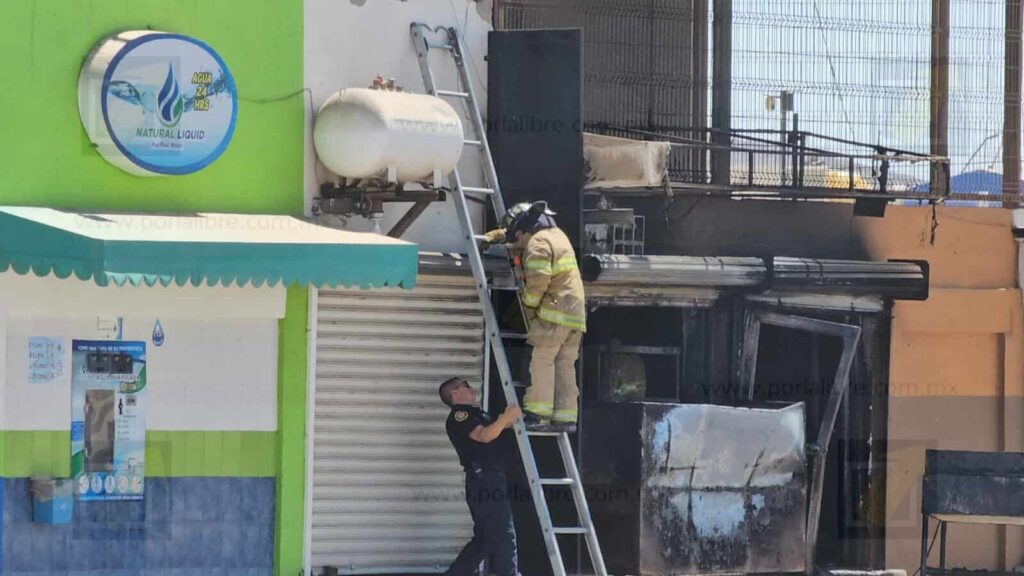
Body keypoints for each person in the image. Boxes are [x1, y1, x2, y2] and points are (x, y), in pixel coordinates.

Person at [483, 201, 587, 432]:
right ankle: (566, 416)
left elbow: (539, 279)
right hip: (575, 316)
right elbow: (523, 241)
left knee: (542, 362)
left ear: (524, 231)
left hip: (553, 314)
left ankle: (538, 414)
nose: (517, 243)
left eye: (516, 238)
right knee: (565, 365)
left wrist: (528, 305)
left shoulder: (538, 243)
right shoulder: (558, 236)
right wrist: (504, 236)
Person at [439, 377, 523, 576]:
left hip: (488, 480)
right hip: (484, 481)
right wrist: (503, 419)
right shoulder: (460, 415)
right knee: (503, 532)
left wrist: (506, 422)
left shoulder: (475, 413)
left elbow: (492, 431)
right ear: (455, 393)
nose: (471, 388)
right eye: (466, 385)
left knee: (485, 540)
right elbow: (484, 436)